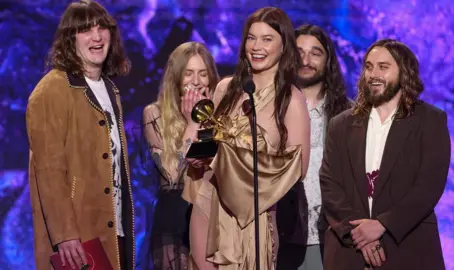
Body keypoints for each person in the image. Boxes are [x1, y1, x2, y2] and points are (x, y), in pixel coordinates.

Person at [184, 7, 311, 269]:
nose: (257, 46)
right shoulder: (226, 88)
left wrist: (237, 162)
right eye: (251, 38)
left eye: (267, 39)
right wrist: (198, 156)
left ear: (283, 45)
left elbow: (298, 168)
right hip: (210, 204)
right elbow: (209, 142)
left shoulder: (291, 99)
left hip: (255, 215)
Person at [319, 39, 451, 270]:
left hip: (408, 248)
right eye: (368, 67)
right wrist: (360, 235)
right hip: (350, 251)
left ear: (404, 72)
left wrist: (383, 225)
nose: (373, 74)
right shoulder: (341, 124)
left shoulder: (430, 121)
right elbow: (330, 184)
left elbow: (429, 186)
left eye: (383, 66)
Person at [25, 1, 134, 269]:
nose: (96, 37)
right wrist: (66, 235)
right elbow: (49, 170)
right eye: (85, 30)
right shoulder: (52, 90)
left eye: (102, 28)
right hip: (77, 241)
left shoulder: (110, 90)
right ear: (70, 39)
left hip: (113, 231)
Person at [277, 24, 352, 270]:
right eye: (299, 52)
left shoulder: (350, 115)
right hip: (282, 234)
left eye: (315, 53)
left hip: (332, 234)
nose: (306, 60)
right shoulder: (271, 109)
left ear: (328, 60)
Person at [143, 41, 219, 270]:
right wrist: (192, 123)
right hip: (175, 219)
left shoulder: (220, 115)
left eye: (203, 74)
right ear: (176, 78)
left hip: (213, 216)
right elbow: (171, 174)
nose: (196, 81)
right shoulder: (154, 113)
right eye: (188, 74)